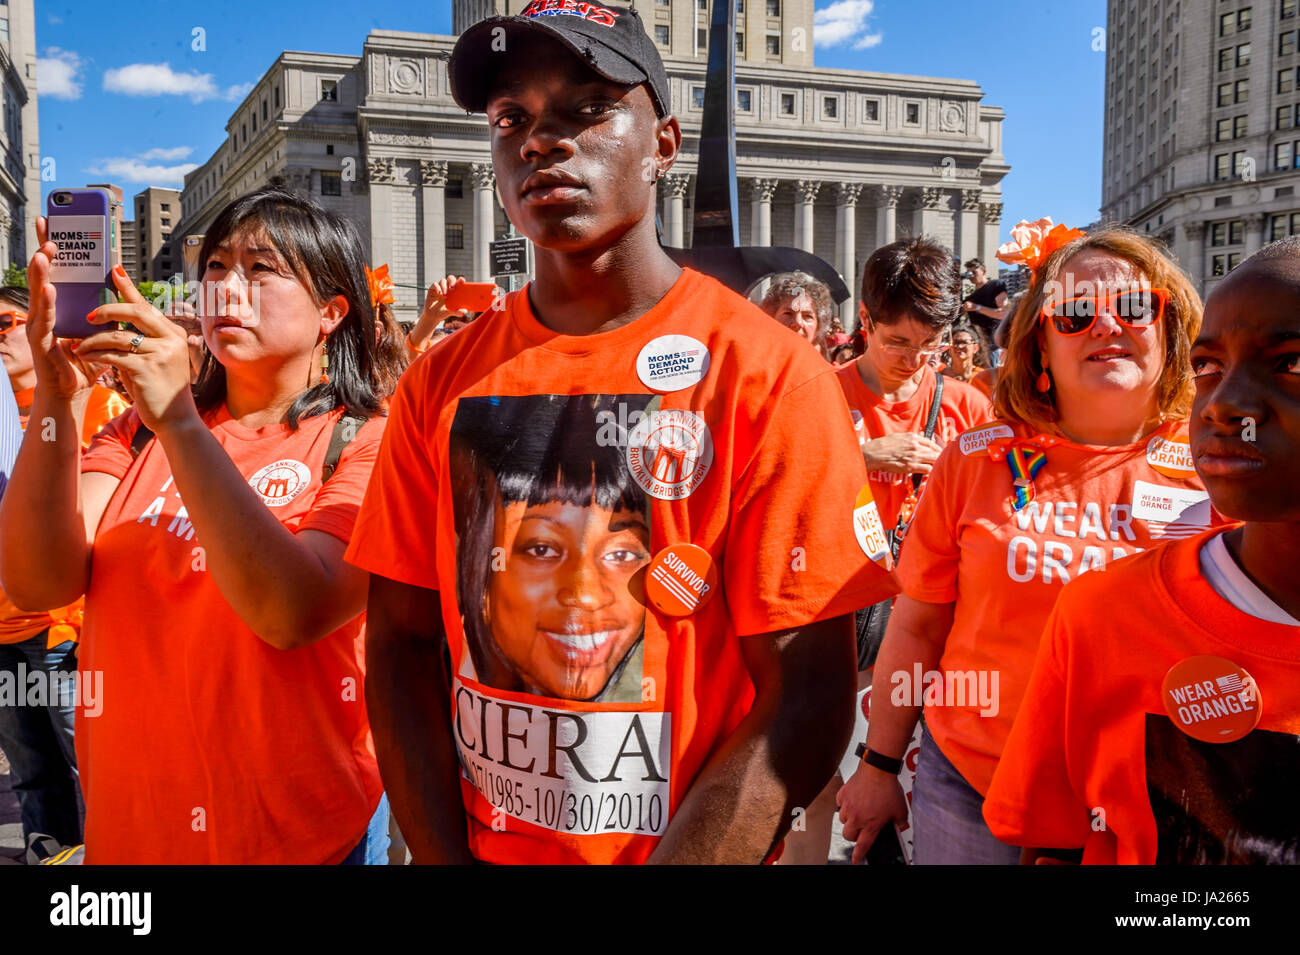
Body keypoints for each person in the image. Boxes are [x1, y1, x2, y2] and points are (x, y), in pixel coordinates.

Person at [347, 1, 895, 865]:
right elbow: (402, 644)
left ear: (664, 144)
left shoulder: (769, 374)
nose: (539, 141)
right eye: (511, 120)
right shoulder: (438, 382)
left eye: (587, 108)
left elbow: (806, 698)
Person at [0, 186, 406, 864]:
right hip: (133, 834)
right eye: (214, 267)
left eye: (260, 268)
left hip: (294, 840)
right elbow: (39, 578)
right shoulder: (134, 432)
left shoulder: (368, 442)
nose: (226, 288)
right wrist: (55, 392)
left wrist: (182, 425)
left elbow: (291, 611)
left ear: (332, 312)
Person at [837, 225, 1208, 865]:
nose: (1107, 326)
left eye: (1134, 306)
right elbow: (919, 624)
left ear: (1169, 327)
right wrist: (877, 764)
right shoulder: (976, 459)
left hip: (1144, 805)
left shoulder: (1218, 467)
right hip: (969, 785)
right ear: (1039, 342)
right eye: (1073, 312)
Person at [983, 237, 1300, 865]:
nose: (1227, 405)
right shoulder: (1101, 611)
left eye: (1291, 362)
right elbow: (1056, 844)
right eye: (1211, 365)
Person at [778, 238, 991, 865]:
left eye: (931, 347)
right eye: (897, 343)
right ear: (865, 322)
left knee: (917, 790)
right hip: (832, 624)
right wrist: (860, 457)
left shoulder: (969, 406)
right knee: (814, 787)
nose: (914, 361)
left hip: (932, 629)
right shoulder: (816, 393)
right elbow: (766, 492)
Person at [0, 286, 127, 856]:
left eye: (6, 322)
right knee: (31, 771)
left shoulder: (101, 406)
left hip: (65, 630)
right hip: (4, 629)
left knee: (93, 768)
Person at [760, 271, 834, 353]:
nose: (798, 322)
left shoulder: (823, 365)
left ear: (818, 328)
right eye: (788, 313)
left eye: (807, 316)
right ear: (771, 318)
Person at [961, 257, 1008, 339]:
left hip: (995, 342)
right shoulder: (971, 298)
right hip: (979, 342)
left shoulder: (996, 285)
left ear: (984, 271)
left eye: (974, 272)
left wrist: (976, 307)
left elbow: (1003, 313)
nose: (971, 276)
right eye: (969, 273)